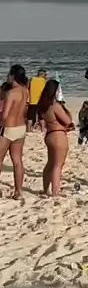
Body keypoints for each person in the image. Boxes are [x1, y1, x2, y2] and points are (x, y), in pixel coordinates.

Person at [38, 79, 74, 198]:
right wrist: (64, 108)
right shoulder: (55, 105)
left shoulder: (43, 105)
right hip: (58, 135)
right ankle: (55, 192)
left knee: (50, 164)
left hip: (50, 134)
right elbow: (68, 120)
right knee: (58, 165)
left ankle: (45, 189)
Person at [0, 65, 29, 200]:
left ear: (12, 76)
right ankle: (18, 191)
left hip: (8, 128)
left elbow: (5, 115)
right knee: (17, 161)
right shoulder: (25, 91)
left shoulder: (11, 93)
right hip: (21, 127)